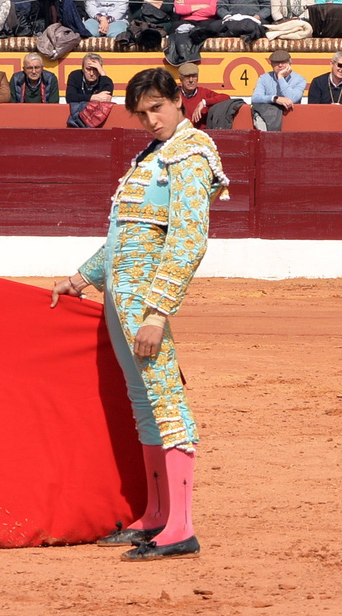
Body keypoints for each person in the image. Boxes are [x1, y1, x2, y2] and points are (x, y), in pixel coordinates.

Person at [49, 65, 229, 562]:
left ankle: (183, 527)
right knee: (144, 403)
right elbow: (125, 238)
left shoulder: (192, 154)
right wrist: (82, 278)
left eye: (157, 108)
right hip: (120, 301)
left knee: (166, 402)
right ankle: (155, 515)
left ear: (178, 101)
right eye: (142, 113)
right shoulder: (152, 155)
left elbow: (188, 241)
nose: (151, 120)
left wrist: (157, 312)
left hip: (145, 304)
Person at [249, 46, 307, 130]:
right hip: (269, 119)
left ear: (290, 63)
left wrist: (280, 77)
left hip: (292, 120)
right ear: (272, 65)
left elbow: (292, 98)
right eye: (276, 63)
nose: (280, 65)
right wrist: (275, 98)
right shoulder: (264, 78)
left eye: (283, 62)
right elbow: (255, 98)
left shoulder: (299, 79)